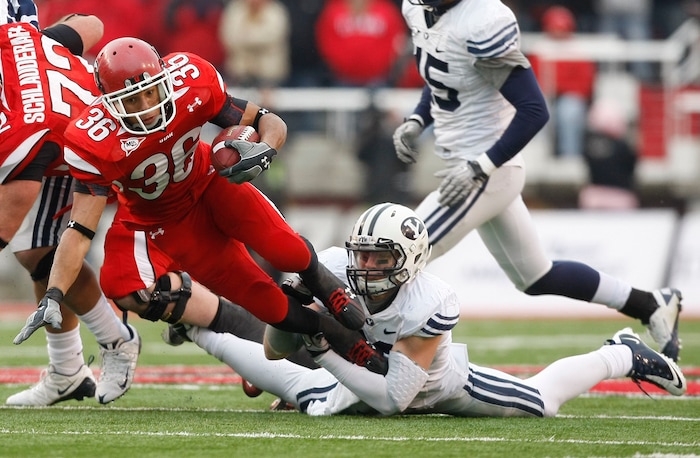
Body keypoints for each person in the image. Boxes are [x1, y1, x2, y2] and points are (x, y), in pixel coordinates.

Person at [13, 36, 384, 372]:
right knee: (268, 305)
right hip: (169, 222)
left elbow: (267, 120)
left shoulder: (191, 79)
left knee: (285, 250)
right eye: (131, 99)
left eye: (150, 93)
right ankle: (323, 327)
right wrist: (53, 294)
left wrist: (265, 150)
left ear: (164, 80)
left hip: (211, 182)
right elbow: (79, 231)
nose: (145, 107)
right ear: (108, 102)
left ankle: (325, 285)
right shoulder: (93, 140)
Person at [164, 203, 687, 417]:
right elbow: (276, 352)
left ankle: (621, 353)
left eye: (378, 257)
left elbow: (395, 399)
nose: (364, 265)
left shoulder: (431, 300)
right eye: (360, 254)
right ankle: (195, 328)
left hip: (430, 385)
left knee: (541, 403)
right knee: (284, 381)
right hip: (349, 375)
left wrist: (321, 346)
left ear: (408, 259)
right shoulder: (327, 267)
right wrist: (296, 317)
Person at [391, 0, 683, 362]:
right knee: (537, 277)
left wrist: (480, 166)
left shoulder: (481, 21)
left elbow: (534, 110)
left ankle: (365, 359)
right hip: (475, 168)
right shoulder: (420, 12)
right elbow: (443, 70)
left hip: (486, 170)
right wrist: (418, 119)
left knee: (395, 256)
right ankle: (650, 304)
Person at [1, 8, 140, 405]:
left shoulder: (21, 119)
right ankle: (67, 371)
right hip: (72, 130)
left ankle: (117, 339)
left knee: (41, 251)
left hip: (86, 146)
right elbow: (92, 24)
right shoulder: (21, 39)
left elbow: (9, 215)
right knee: (38, 251)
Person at [529, 5, 597, 158]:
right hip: (545, 95)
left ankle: (570, 157)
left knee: (569, 111)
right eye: (554, 28)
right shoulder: (540, 48)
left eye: (561, 28)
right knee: (537, 108)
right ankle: (537, 155)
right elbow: (531, 81)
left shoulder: (577, 49)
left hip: (570, 96)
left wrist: (560, 88)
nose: (558, 32)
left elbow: (585, 85)